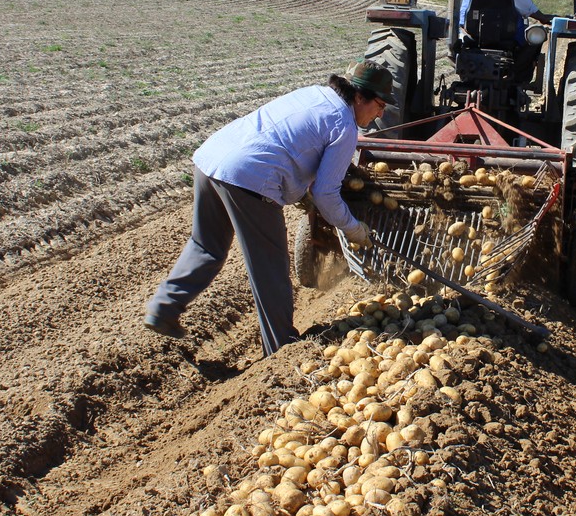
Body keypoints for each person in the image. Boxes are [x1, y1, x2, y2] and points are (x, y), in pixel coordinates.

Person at [143, 61, 392, 356]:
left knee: (206, 246)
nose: (380, 114)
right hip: (249, 179)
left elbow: (290, 143)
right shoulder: (344, 125)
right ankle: (280, 349)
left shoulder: (314, 93)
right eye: (380, 105)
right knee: (270, 268)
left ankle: (163, 307)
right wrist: (353, 228)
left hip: (212, 159)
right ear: (359, 96)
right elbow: (326, 193)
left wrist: (299, 189)